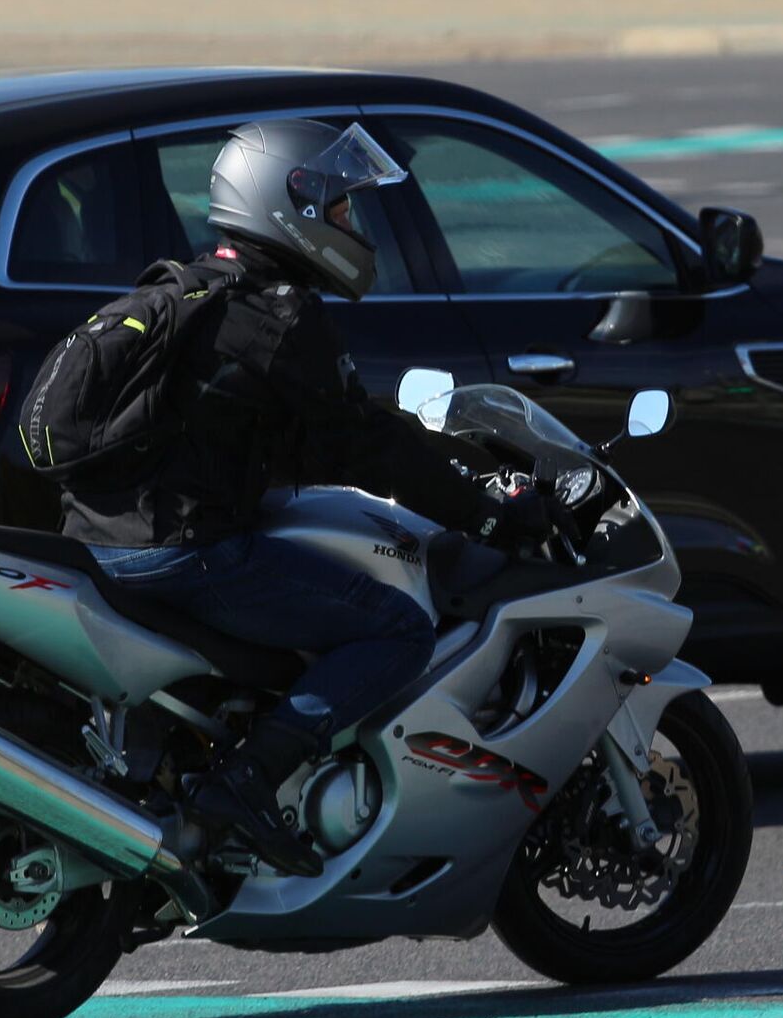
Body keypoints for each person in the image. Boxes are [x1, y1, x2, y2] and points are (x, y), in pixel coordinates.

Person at [62, 120, 558, 877]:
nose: (351, 226)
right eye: (339, 210)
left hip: (95, 538)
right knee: (396, 629)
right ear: (281, 206)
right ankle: (248, 781)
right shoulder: (280, 319)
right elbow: (367, 441)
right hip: (179, 551)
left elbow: (301, 442)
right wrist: (485, 510)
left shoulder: (188, 287)